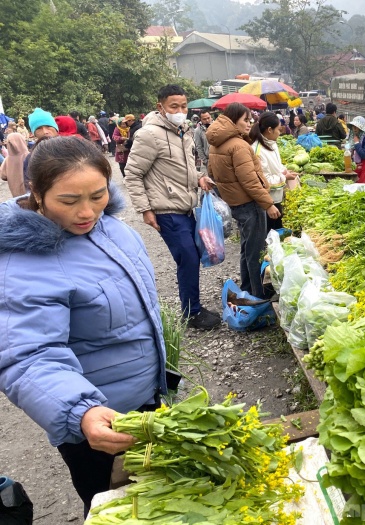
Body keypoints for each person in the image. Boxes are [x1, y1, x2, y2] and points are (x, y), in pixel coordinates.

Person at [0, 137, 168, 517]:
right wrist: (81, 412)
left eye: (98, 195)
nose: (87, 211)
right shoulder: (23, 262)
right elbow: (27, 357)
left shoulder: (113, 231)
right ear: (37, 194)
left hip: (145, 405)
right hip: (95, 427)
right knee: (118, 508)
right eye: (70, 201)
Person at [125, 84, 221, 330]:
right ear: (161, 107)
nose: (180, 111)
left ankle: (192, 307)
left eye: (183, 106)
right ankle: (192, 313)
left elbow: (186, 168)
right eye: (174, 106)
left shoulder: (184, 131)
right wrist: (145, 209)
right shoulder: (149, 135)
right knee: (188, 257)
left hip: (186, 206)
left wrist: (199, 178)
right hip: (166, 209)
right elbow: (133, 174)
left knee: (191, 257)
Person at [206, 103, 280, 298]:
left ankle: (247, 288)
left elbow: (212, 174)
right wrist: (268, 204)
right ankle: (257, 295)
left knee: (246, 249)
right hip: (250, 204)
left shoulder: (216, 143)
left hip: (236, 204)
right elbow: (250, 181)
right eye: (245, 120)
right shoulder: (238, 146)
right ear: (232, 121)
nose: (249, 124)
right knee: (255, 252)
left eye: (250, 120)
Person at [248, 111, 299, 231]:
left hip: (276, 198)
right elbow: (263, 181)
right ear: (269, 130)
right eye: (278, 129)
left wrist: (285, 171)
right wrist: (284, 177)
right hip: (267, 202)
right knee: (270, 235)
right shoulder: (257, 150)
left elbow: (277, 166)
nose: (280, 132)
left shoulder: (271, 144)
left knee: (277, 232)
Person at [347, 116, 365, 184]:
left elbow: (364, 155)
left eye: (356, 127)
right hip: (356, 168)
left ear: (361, 128)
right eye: (353, 126)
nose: (354, 129)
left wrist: (357, 143)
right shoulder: (354, 138)